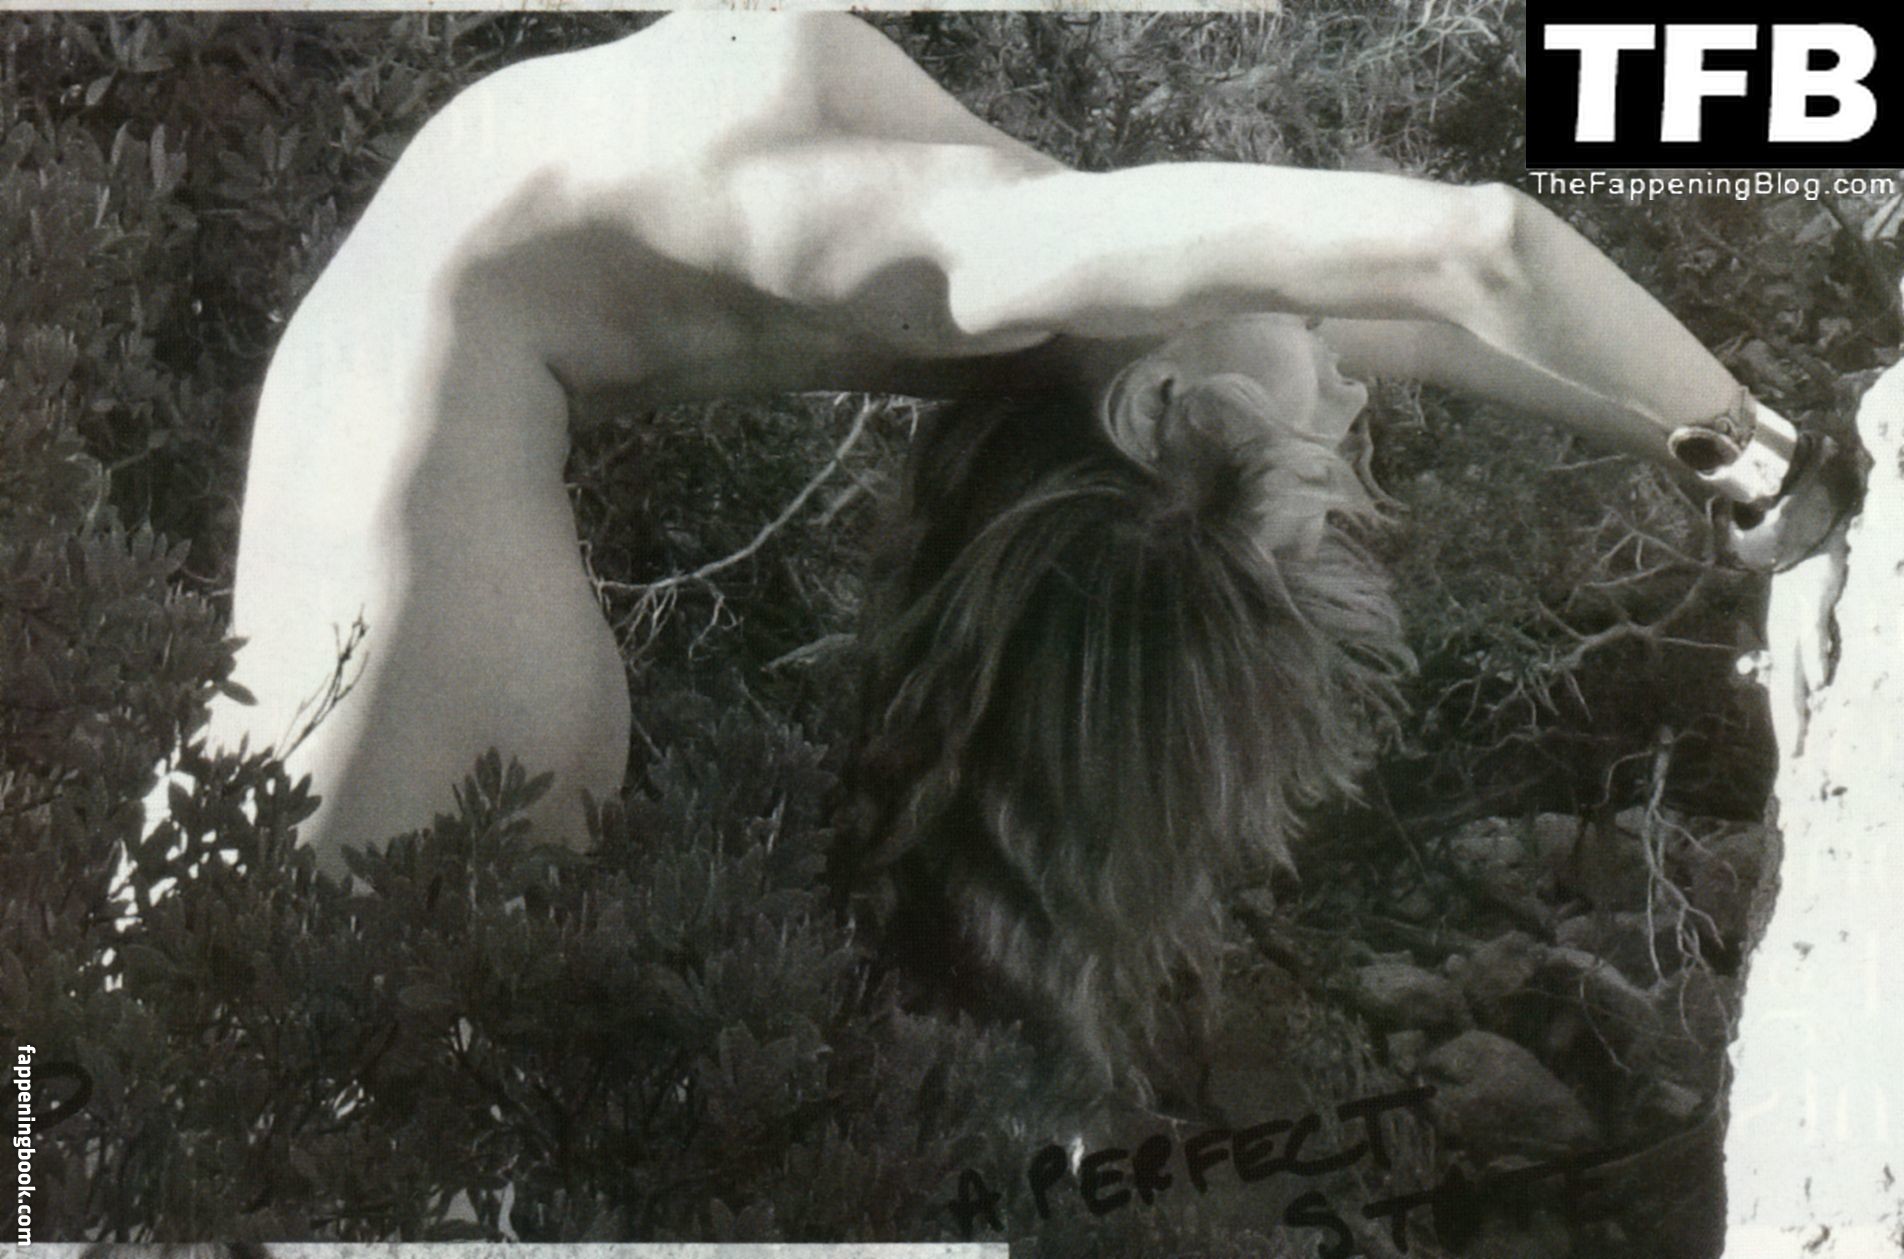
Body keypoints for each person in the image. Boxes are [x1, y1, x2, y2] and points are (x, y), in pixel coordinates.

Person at [183, 11, 1819, 890]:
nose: (1352, 402)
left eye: (1314, 450)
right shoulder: (1040, 285)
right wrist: (1754, 475)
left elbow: (1474, 259)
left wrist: (1771, 483)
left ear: (1159, 416)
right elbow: (1455, 287)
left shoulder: (1001, 267)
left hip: (422, 522)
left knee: (261, 1106)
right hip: (402, 472)